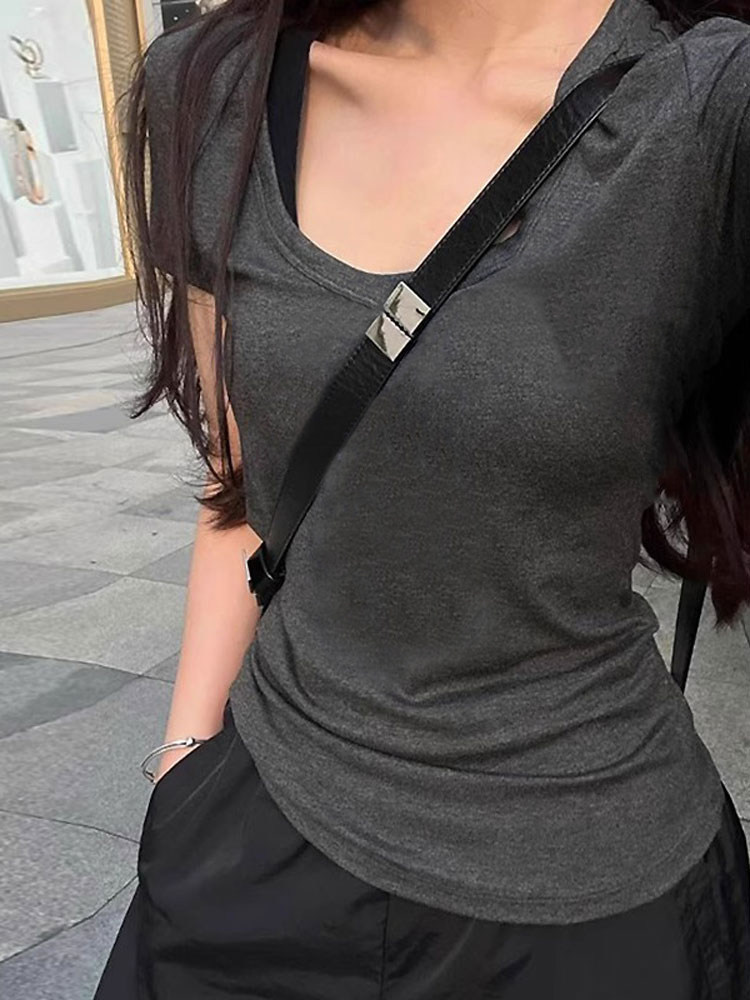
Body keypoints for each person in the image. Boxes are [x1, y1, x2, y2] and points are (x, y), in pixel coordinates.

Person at [94, 0, 750, 996]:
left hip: (597, 887)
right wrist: (184, 756)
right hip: (259, 838)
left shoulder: (706, 104)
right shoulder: (215, 92)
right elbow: (241, 485)